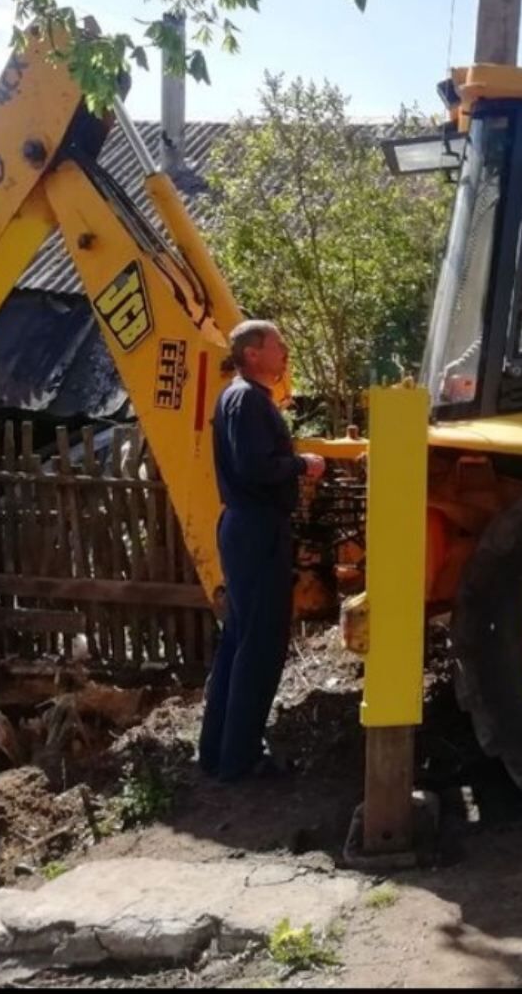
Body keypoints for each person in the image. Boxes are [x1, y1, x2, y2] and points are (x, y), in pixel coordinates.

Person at [198, 320, 325, 782]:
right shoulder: (248, 399)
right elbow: (256, 465)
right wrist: (302, 465)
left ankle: (216, 753)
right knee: (260, 645)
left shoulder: (236, 397)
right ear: (253, 353)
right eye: (277, 345)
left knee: (238, 640)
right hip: (257, 529)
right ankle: (242, 760)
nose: (284, 351)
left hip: (243, 527)